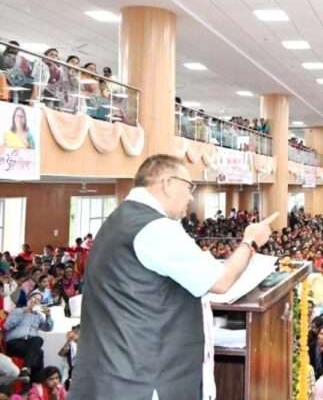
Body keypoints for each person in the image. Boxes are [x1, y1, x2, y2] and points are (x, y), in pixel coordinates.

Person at [69, 154, 278, 399]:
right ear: (167, 183)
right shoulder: (155, 228)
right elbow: (221, 281)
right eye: (189, 187)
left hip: (116, 372)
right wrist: (250, 241)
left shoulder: (121, 218)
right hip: (143, 379)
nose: (191, 197)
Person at [3, 290, 53, 382]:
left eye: (38, 300)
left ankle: (27, 374)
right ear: (28, 299)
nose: (35, 301)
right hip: (15, 343)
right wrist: (24, 311)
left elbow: (48, 328)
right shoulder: (18, 310)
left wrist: (48, 316)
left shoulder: (38, 316)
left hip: (30, 344)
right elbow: (6, 326)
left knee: (38, 341)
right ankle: (37, 382)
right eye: (34, 298)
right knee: (38, 352)